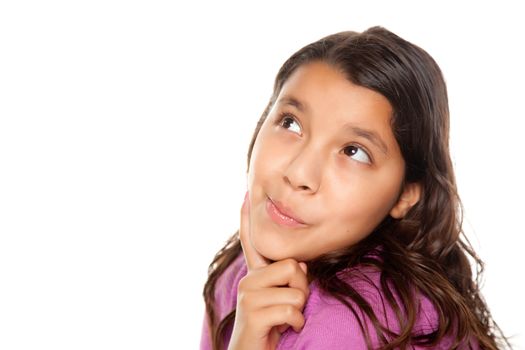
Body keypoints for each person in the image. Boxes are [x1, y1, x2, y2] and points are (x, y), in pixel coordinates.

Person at [200, 26, 510, 349]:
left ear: (406, 194)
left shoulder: (349, 324)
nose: (298, 173)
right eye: (290, 122)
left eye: (353, 152)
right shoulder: (239, 273)